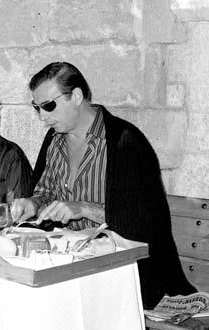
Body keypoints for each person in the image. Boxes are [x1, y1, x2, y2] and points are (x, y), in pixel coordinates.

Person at [11, 62, 196, 309]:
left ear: (76, 96)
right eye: (37, 108)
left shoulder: (125, 141)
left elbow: (143, 223)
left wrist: (83, 208)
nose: (43, 117)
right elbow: (46, 192)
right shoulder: (54, 140)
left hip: (125, 270)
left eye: (48, 106)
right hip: (72, 264)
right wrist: (33, 203)